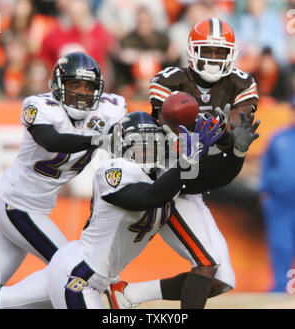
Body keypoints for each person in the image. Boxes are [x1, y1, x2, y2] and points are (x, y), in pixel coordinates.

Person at [0, 109, 222, 308]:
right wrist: (188, 160)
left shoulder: (165, 173)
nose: (147, 151)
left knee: (4, 301)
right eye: (138, 144)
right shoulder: (114, 171)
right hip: (79, 276)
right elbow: (149, 197)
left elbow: (215, 179)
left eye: (152, 144)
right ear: (122, 147)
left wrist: (234, 151)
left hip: (93, 274)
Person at [107, 17, 261, 309]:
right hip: (168, 181)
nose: (213, 59)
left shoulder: (241, 83)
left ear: (232, 55)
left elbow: (238, 126)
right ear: (192, 50)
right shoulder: (170, 80)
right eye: (208, 51)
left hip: (194, 186)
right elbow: (175, 133)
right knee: (206, 263)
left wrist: (233, 144)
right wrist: (217, 136)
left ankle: (128, 295)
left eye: (219, 52)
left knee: (224, 279)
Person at [0, 51, 127, 308]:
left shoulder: (110, 109)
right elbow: (51, 139)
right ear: (58, 86)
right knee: (73, 272)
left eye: (88, 87)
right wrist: (98, 138)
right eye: (74, 85)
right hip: (16, 205)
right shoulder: (40, 106)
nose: (81, 92)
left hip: (32, 207)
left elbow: (131, 140)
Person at [259, 95, 295, 292]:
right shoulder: (279, 138)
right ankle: (281, 287)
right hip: (280, 201)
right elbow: (266, 166)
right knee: (281, 245)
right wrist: (264, 191)